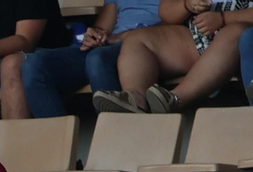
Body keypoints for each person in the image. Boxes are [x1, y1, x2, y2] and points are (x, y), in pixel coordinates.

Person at [93, 0, 253, 112]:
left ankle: (175, 99)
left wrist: (224, 18)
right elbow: (165, 11)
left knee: (236, 32)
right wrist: (185, 5)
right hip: (197, 36)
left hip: (245, 40)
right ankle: (135, 97)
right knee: (138, 38)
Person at [19, 0, 161, 116]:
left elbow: (173, 25)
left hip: (147, 45)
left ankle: (115, 135)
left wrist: (125, 36)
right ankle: (58, 140)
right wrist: (94, 35)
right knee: (34, 64)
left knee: (97, 58)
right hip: (111, 44)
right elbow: (103, 26)